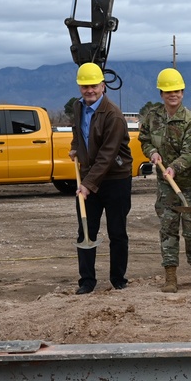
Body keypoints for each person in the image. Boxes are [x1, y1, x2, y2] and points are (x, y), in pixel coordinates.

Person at [139, 68, 191, 293]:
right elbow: (145, 140)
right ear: (161, 93)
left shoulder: (190, 122)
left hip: (190, 184)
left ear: (183, 92)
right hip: (165, 185)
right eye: (168, 91)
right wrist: (152, 153)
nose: (173, 95)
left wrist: (174, 167)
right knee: (168, 228)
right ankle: (170, 276)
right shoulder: (152, 116)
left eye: (177, 91)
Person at [69, 62, 133, 294]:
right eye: (85, 86)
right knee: (86, 228)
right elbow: (78, 131)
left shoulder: (113, 115)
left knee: (117, 230)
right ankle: (87, 281)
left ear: (103, 86)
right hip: (89, 177)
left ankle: (118, 279)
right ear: (79, 87)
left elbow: (107, 155)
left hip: (116, 178)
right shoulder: (78, 107)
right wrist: (76, 146)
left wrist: (87, 185)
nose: (89, 90)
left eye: (94, 86)